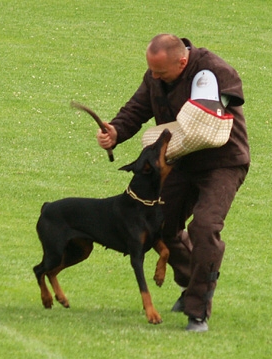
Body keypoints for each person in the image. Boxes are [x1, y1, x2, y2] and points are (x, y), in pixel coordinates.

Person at [96, 34, 250, 332]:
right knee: (160, 225)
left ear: (182, 61)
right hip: (180, 161)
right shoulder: (156, 75)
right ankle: (193, 282)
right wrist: (115, 131)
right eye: (151, 71)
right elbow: (137, 108)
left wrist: (215, 102)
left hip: (222, 162)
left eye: (160, 72)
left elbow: (225, 103)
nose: (154, 77)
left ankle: (197, 310)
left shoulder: (215, 71)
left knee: (204, 227)